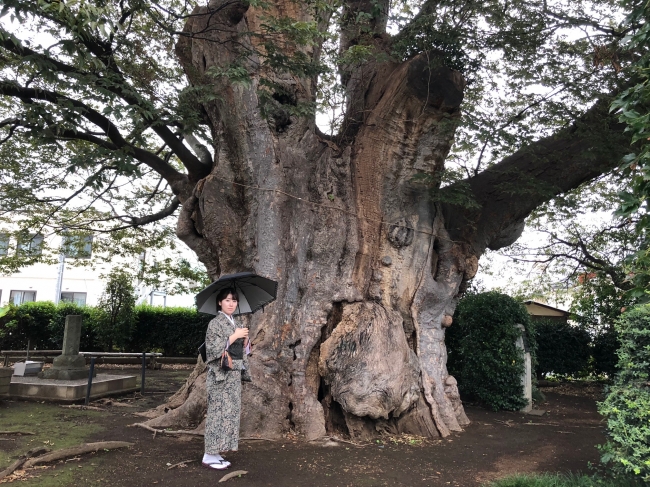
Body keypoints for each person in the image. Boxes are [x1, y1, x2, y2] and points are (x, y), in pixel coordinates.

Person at [202, 287, 251, 470]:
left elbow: (242, 352)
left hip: (233, 375)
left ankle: (217, 451)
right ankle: (208, 455)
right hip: (219, 377)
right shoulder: (215, 323)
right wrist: (234, 336)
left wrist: (245, 342)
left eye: (234, 300)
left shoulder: (235, 322)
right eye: (227, 300)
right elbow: (212, 349)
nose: (231, 304)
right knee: (217, 414)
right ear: (219, 302)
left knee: (229, 414)